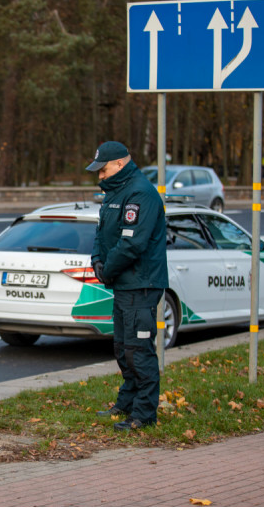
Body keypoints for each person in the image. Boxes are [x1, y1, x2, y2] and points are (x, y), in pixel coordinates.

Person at [87, 141, 168, 431]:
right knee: (123, 348)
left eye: (103, 170)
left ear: (120, 164)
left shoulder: (140, 193)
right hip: (124, 283)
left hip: (141, 284)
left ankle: (144, 414)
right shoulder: (114, 193)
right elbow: (102, 235)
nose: (100, 176)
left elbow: (132, 243)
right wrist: (97, 262)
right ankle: (127, 403)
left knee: (138, 350)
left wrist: (107, 270)